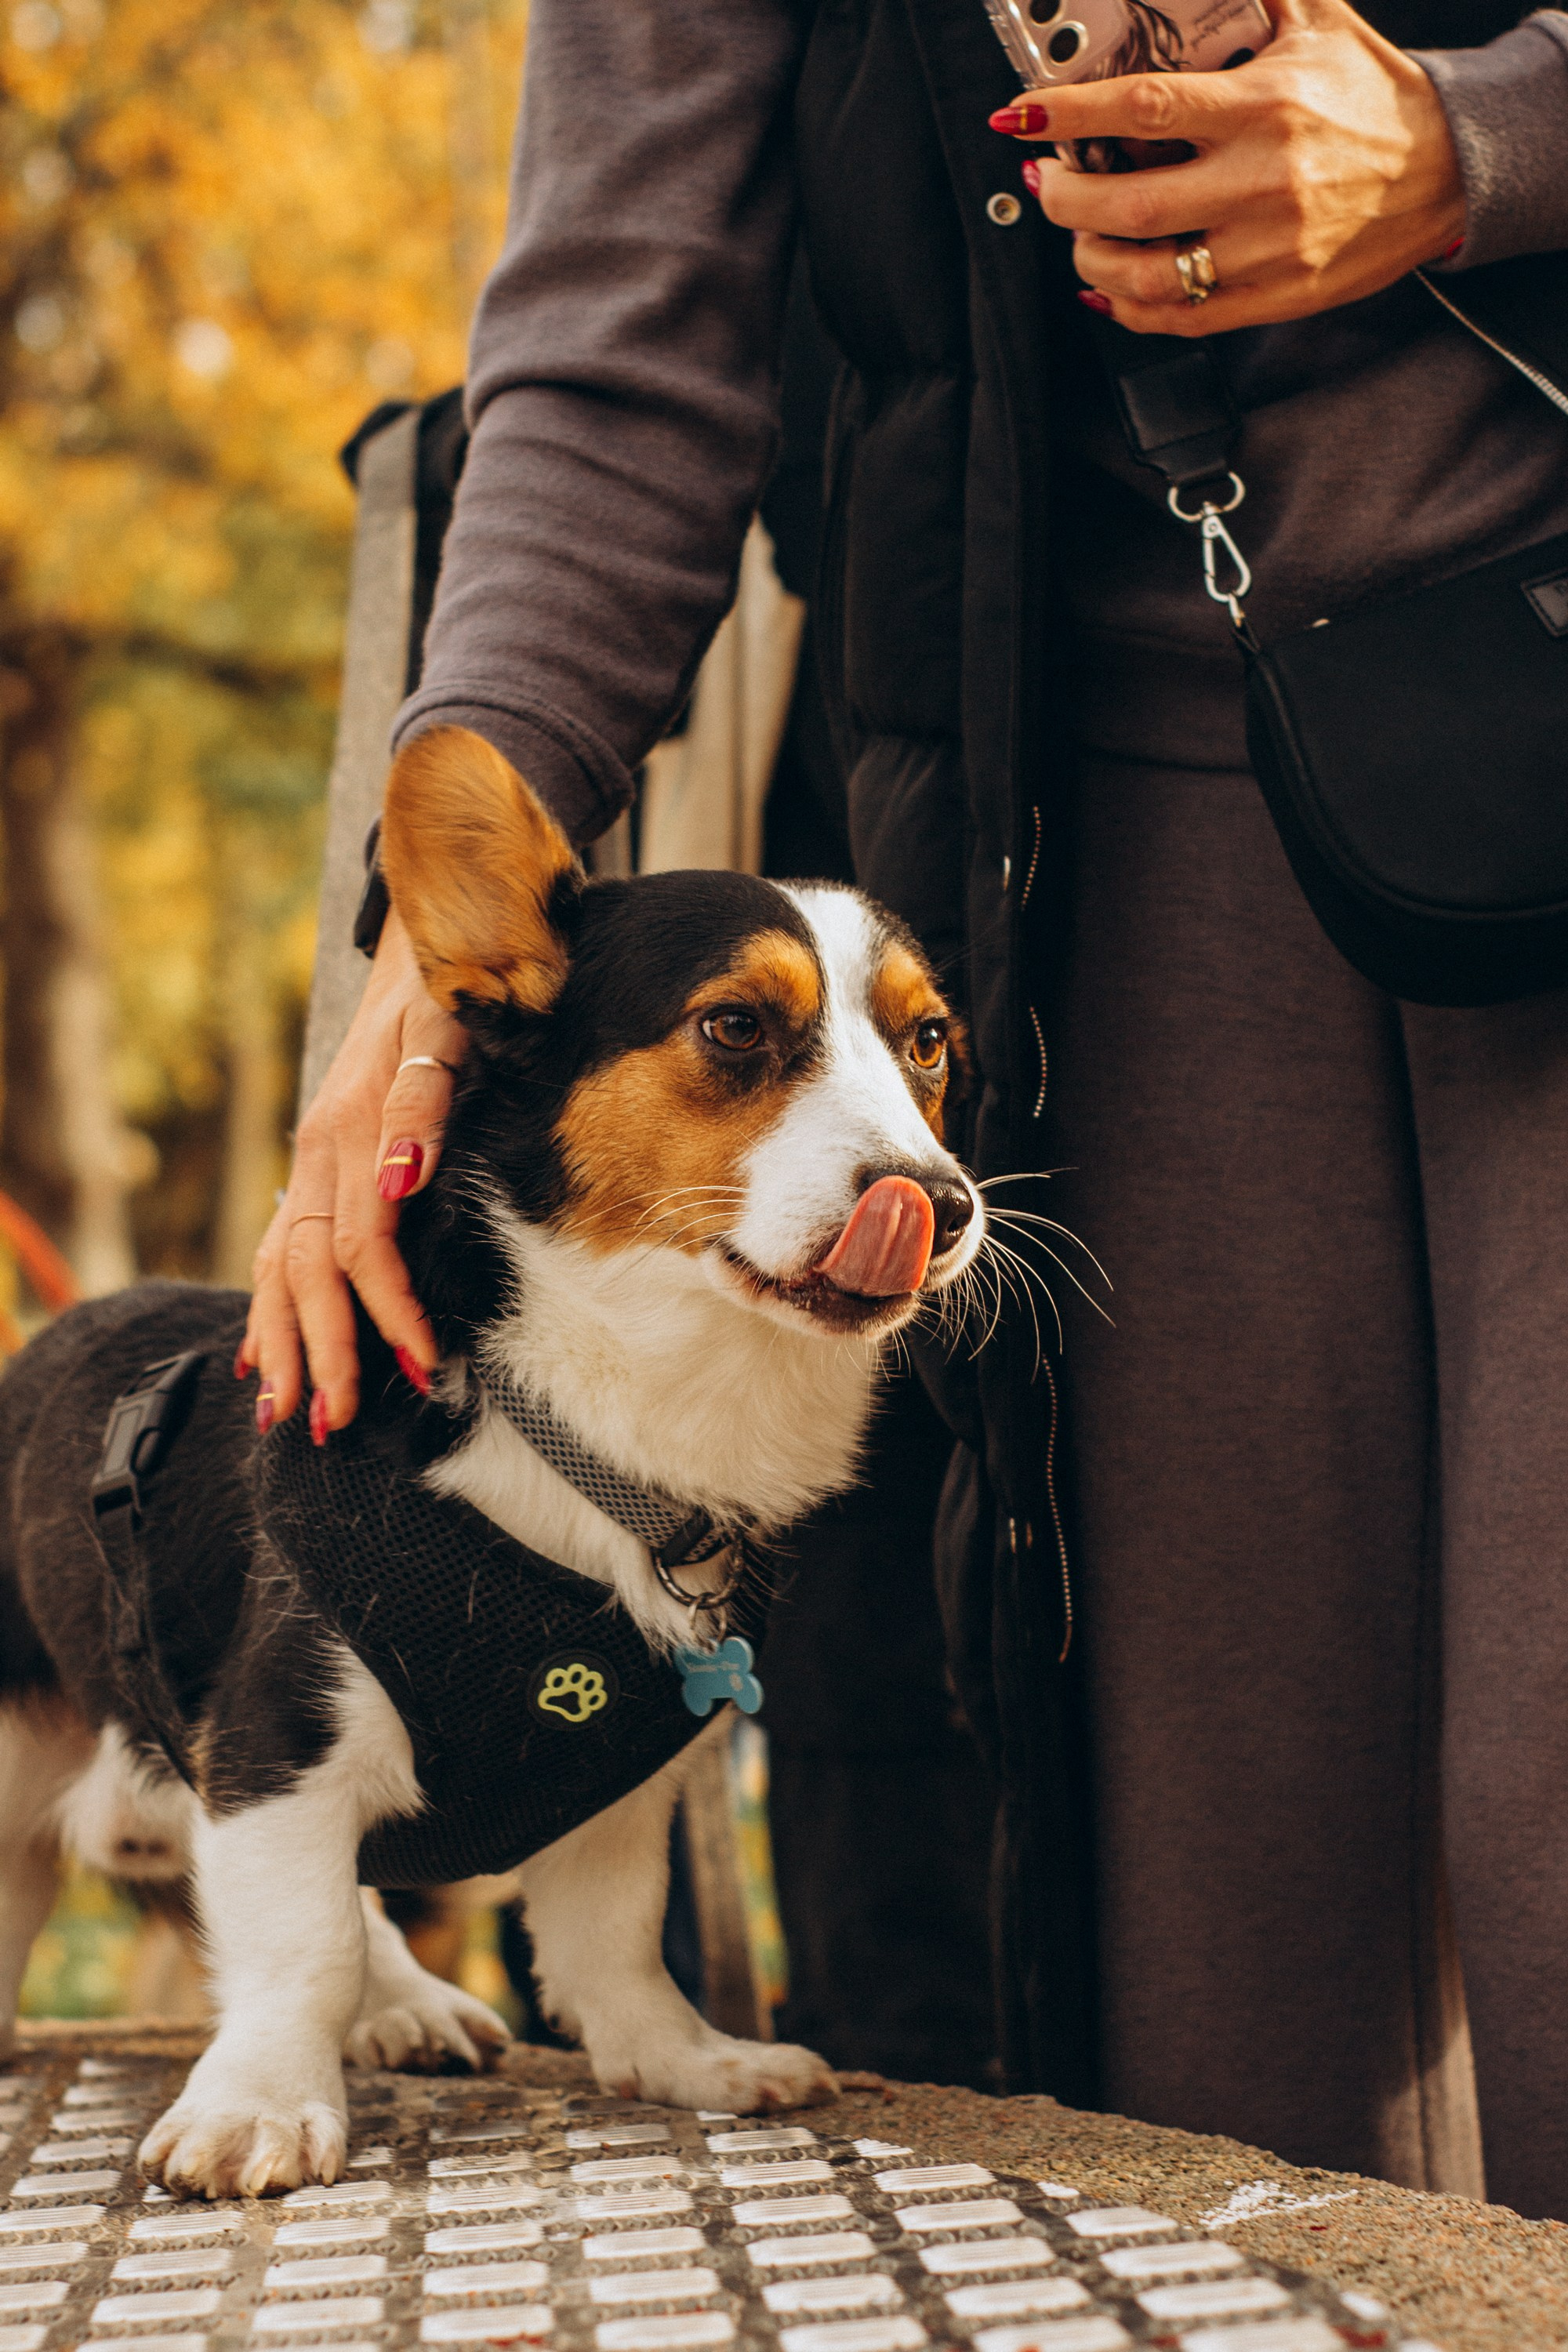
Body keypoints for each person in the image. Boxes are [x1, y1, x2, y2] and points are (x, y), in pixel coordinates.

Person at [238, 0, 1568, 2217]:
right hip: (1096, 797)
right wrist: (421, 973)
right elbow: (623, 321)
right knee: (1219, 1949)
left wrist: (1484, 140)